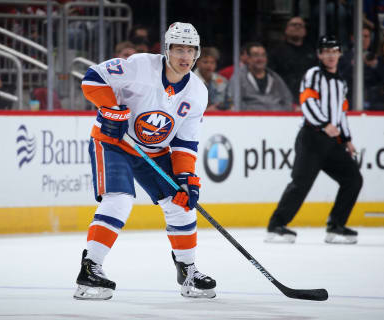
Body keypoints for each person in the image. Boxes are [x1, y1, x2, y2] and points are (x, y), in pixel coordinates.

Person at [74, 22, 216, 300]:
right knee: (119, 198)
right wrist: (111, 109)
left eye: (190, 50)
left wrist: (186, 178)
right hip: (114, 142)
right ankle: (90, 269)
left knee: (182, 203)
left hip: (156, 151)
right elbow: (92, 78)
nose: (184, 56)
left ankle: (187, 271)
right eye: (178, 49)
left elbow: (185, 143)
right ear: (166, 49)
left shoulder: (198, 92)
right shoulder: (139, 66)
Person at [265, 35, 363, 245]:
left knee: (353, 179)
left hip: (332, 142)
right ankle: (276, 226)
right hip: (311, 138)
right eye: (326, 51)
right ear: (320, 54)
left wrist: (346, 139)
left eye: (334, 51)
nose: (330, 55)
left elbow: (341, 113)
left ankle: (335, 226)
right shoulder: (313, 75)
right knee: (300, 183)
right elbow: (307, 102)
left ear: (339, 54)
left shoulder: (341, 82)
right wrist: (324, 124)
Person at [225, 42, 293, 111]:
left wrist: (282, 114)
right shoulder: (238, 78)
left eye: (263, 55)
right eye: (256, 55)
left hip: (278, 118)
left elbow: (287, 99)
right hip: (249, 118)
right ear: (248, 58)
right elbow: (233, 101)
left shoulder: (275, 77)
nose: (260, 59)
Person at [268, 16, 317, 107]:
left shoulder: (312, 52)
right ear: (286, 30)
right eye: (293, 25)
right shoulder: (276, 52)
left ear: (305, 31)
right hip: (284, 98)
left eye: (300, 25)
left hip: (308, 98)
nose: (297, 27)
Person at [339, 25, 378, 109]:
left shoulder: (374, 57)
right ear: (353, 38)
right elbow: (341, 77)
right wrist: (354, 64)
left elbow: (378, 81)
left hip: (372, 103)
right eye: (361, 36)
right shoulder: (344, 57)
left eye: (367, 36)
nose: (364, 39)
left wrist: (375, 67)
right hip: (349, 101)